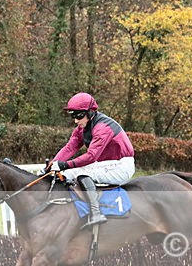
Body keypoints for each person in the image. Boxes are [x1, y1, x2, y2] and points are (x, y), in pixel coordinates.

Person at [48, 92, 135, 229]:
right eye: (73, 116)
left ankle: (96, 213)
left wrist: (65, 165)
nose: (76, 120)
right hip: (105, 165)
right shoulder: (81, 128)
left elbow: (91, 156)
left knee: (79, 173)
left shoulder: (103, 128)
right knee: (65, 174)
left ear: (90, 112)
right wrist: (52, 165)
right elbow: (70, 147)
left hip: (121, 166)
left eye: (79, 115)